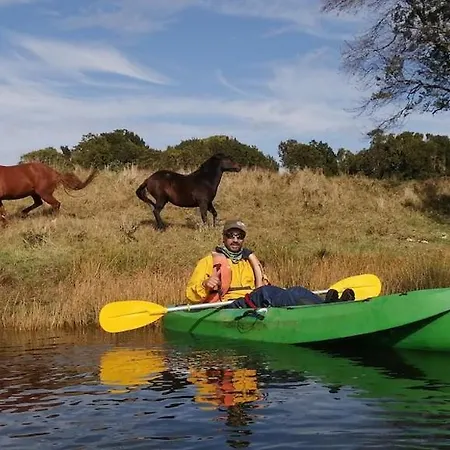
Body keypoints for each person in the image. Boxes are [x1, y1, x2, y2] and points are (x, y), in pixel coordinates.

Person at [185, 219, 354, 308]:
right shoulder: (209, 261)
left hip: (252, 301)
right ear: (223, 238)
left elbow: (265, 285)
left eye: (239, 236)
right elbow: (190, 295)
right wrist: (206, 284)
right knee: (266, 293)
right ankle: (318, 309)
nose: (235, 240)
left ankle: (327, 305)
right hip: (228, 306)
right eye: (231, 235)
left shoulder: (248, 260)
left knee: (296, 290)